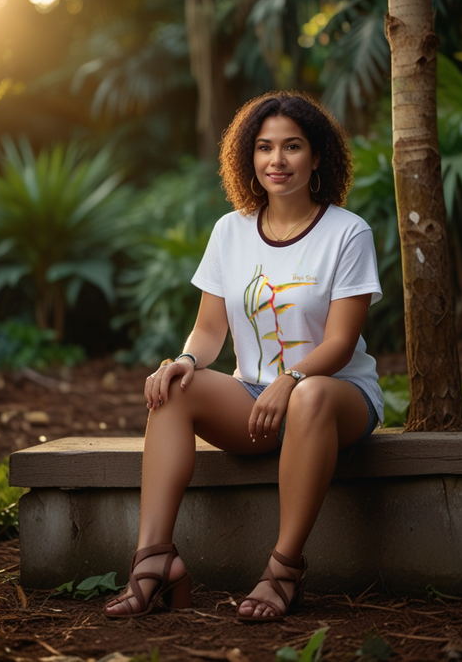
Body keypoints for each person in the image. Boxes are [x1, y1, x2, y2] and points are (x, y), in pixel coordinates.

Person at [104, 90, 383, 623]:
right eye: (264, 147)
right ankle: (155, 559)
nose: (276, 160)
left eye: (292, 147)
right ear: (248, 157)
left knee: (311, 396)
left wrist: (293, 378)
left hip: (336, 397)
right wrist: (185, 359)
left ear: (318, 155)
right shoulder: (230, 231)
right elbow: (209, 329)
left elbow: (341, 343)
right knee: (171, 389)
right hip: (254, 399)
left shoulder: (347, 232)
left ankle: (283, 569)